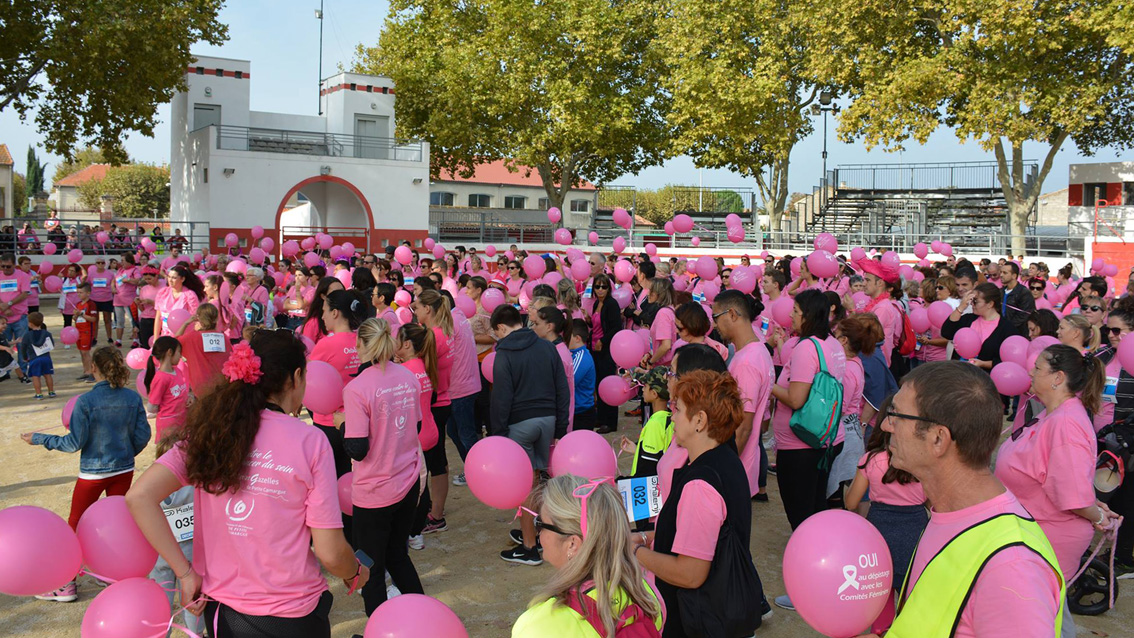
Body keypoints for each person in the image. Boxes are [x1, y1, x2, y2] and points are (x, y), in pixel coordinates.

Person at [126, 330, 366, 636]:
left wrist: (185, 574)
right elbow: (331, 553)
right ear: (295, 377)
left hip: (224, 615)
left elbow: (140, 496)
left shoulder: (208, 433)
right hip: (293, 615)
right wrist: (356, 572)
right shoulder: (310, 441)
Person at [867, 361, 1064, 638]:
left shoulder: (1012, 568)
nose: (886, 425)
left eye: (896, 414)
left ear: (938, 439)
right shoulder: (949, 512)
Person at [633, 369, 767, 638]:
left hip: (693, 618)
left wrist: (634, 553)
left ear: (699, 420)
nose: (672, 415)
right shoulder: (726, 461)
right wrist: (647, 537)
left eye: (678, 408)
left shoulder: (700, 484)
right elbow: (699, 537)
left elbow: (690, 574)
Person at [995, 345, 1116, 638]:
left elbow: (1071, 497)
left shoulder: (1065, 423)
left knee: (1037, 619)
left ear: (1057, 378)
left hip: (1048, 538)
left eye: (1037, 368)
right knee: (1046, 616)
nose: (1030, 372)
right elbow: (1063, 478)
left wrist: (1097, 512)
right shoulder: (1056, 415)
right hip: (1035, 533)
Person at [23, 346, 149, 602]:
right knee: (119, 524)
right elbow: (143, 435)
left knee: (74, 526)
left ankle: (65, 584)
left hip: (93, 472)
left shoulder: (86, 402)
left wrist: (39, 438)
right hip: (123, 469)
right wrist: (125, 452)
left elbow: (73, 444)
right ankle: (112, 574)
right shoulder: (132, 398)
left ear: (94, 368)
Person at [511, 474, 663, 638]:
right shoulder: (645, 593)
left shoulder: (538, 626)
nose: (537, 532)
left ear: (572, 544)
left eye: (540, 523)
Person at [343, 318, 426, 614]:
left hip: (374, 491)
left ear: (358, 346)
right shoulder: (407, 376)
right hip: (407, 482)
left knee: (370, 566)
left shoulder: (356, 389)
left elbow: (358, 449)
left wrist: (342, 427)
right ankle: (423, 616)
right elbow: (415, 425)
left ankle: (378, 626)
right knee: (398, 556)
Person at [491, 304, 570, 565]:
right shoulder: (547, 346)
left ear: (501, 328)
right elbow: (562, 388)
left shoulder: (503, 353)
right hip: (547, 420)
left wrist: (499, 434)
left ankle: (529, 546)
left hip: (520, 424)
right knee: (538, 481)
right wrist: (559, 427)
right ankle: (533, 533)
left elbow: (501, 398)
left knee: (525, 484)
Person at [768, 289, 847, 541]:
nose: (791, 316)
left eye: (796, 311)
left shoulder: (806, 347)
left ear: (809, 315)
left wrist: (768, 383)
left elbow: (795, 398)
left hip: (802, 443)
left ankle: (810, 558)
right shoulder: (833, 344)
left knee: (800, 511)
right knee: (815, 505)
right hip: (827, 437)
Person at [845, 394, 928, 633]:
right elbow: (932, 502)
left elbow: (852, 503)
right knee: (911, 598)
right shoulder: (921, 461)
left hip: (878, 536)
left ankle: (881, 632)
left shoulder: (871, 460)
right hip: (915, 535)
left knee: (880, 595)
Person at [712, 290, 774, 500]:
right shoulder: (758, 350)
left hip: (737, 465)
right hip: (746, 463)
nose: (714, 325)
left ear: (732, 314)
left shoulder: (747, 362)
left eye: (715, 317)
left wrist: (724, 469)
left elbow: (743, 427)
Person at [412, 289, 457, 533]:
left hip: (433, 403)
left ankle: (436, 515)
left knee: (433, 462)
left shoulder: (433, 336)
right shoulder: (444, 332)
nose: (414, 312)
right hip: (441, 400)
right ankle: (436, 507)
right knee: (438, 460)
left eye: (416, 307)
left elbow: (420, 367)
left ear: (427, 309)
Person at [309, 290, 365, 486]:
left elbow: (308, 379)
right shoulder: (363, 340)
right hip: (359, 420)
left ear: (335, 313)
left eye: (324, 311)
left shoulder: (326, 344)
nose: (322, 316)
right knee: (350, 477)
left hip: (329, 422)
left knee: (329, 480)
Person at [942, 283, 1015, 371]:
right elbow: (946, 332)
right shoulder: (968, 319)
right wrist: (961, 307)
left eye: (975, 301)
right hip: (959, 374)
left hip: (983, 378)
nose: (972, 304)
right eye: (971, 300)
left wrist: (983, 363)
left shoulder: (1007, 329)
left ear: (990, 304)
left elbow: (1006, 361)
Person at [532, 306, 576, 436]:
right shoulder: (555, 350)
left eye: (537, 323)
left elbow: (559, 393)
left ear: (549, 326)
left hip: (558, 422)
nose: (533, 327)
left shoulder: (559, 354)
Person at [623, 366, 672, 478]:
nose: (643, 389)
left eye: (645, 386)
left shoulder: (654, 424)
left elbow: (646, 469)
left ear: (654, 394)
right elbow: (658, 456)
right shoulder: (669, 416)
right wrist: (638, 451)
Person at [174, 303, 230, 398]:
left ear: (198, 318)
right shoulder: (223, 337)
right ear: (216, 318)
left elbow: (174, 343)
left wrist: (186, 323)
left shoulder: (191, 338)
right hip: (222, 384)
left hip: (201, 387)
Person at [591, 273, 623, 433]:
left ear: (609, 288)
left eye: (604, 286)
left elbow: (616, 327)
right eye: (597, 286)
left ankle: (610, 421)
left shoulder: (611, 304)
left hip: (607, 349)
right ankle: (601, 417)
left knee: (608, 384)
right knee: (598, 384)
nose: (600, 289)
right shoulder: (596, 303)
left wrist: (602, 341)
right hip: (595, 349)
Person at [144, 336, 190, 442]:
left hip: (182, 422)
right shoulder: (161, 378)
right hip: (169, 428)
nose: (180, 356)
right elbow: (152, 407)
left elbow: (180, 393)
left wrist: (188, 398)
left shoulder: (177, 371)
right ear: (170, 352)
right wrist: (168, 408)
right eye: (179, 352)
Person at [154, 265, 202, 338]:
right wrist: (156, 338)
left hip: (183, 335)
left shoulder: (189, 295)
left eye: (174, 278)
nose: (170, 280)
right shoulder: (162, 293)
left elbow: (194, 318)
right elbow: (158, 317)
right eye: (169, 277)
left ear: (182, 279)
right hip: (165, 334)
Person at [19, 311, 55, 399]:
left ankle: (39, 394)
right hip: (46, 358)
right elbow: (52, 344)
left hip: (34, 358)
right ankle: (51, 392)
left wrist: (25, 357)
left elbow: (23, 347)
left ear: (30, 324)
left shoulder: (27, 335)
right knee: (48, 375)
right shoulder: (47, 333)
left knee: (36, 376)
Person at [569, 319, 597, 432]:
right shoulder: (575, 354)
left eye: (567, 335)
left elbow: (569, 381)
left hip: (581, 413)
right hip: (578, 410)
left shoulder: (581, 356)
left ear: (577, 338)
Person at [87, 256, 117, 344]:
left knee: (107, 319)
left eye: (102, 263)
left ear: (105, 264)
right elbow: (88, 285)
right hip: (94, 299)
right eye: (98, 263)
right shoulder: (91, 274)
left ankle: (109, 337)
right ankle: (94, 338)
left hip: (107, 298)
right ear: (95, 264)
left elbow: (113, 284)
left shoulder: (110, 274)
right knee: (95, 320)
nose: (100, 264)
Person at [113, 253, 142, 347]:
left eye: (123, 260)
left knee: (132, 320)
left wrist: (128, 280)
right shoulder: (120, 270)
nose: (121, 262)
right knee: (119, 321)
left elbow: (138, 280)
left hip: (129, 299)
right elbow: (114, 280)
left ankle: (135, 339)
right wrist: (112, 287)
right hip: (118, 298)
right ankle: (118, 340)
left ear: (129, 261)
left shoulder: (135, 270)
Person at [1000, 261, 1036, 335]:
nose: (1001, 275)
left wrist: (1007, 327)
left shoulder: (1024, 293)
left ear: (1014, 276)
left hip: (1018, 333)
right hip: (1002, 331)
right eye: (1001, 272)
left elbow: (1024, 315)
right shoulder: (1000, 292)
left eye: (1005, 273)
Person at [74, 282, 99, 381]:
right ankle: (86, 371)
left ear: (88, 293)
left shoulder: (91, 304)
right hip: (78, 330)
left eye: (81, 292)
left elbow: (93, 319)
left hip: (87, 331)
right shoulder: (78, 304)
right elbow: (76, 319)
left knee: (86, 352)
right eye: (78, 292)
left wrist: (81, 314)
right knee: (81, 352)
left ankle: (92, 373)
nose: (79, 294)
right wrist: (75, 316)